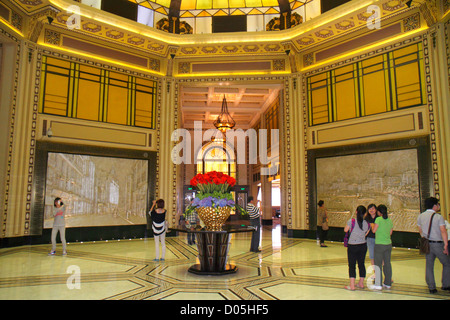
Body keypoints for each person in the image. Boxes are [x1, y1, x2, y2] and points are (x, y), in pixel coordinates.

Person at [417, 197, 450, 293]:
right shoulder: (438, 217)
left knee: (429, 265)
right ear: (435, 205)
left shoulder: (421, 216)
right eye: (438, 204)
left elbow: (420, 230)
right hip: (438, 244)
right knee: (447, 263)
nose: (438, 206)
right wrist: (446, 245)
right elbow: (443, 231)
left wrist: (425, 237)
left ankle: (431, 287)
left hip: (427, 244)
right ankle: (446, 285)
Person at [344, 205, 370, 290]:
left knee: (352, 265)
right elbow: (366, 233)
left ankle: (352, 285)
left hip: (352, 246)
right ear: (365, 213)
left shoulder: (351, 221)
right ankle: (361, 283)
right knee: (361, 264)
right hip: (363, 245)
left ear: (356, 212)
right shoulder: (367, 223)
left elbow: (345, 230)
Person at [372, 204, 394, 290]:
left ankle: (378, 284)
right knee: (387, 263)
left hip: (379, 245)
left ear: (379, 212)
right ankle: (387, 283)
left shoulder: (378, 219)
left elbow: (374, 231)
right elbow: (390, 233)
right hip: (388, 244)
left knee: (378, 264)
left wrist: (373, 226)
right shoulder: (389, 221)